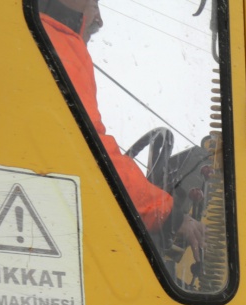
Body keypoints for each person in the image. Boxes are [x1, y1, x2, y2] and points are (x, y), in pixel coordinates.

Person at [38, 0, 205, 257]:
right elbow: (91, 155)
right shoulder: (59, 45)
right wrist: (170, 215)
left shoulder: (38, 40)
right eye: (94, 4)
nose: (100, 20)